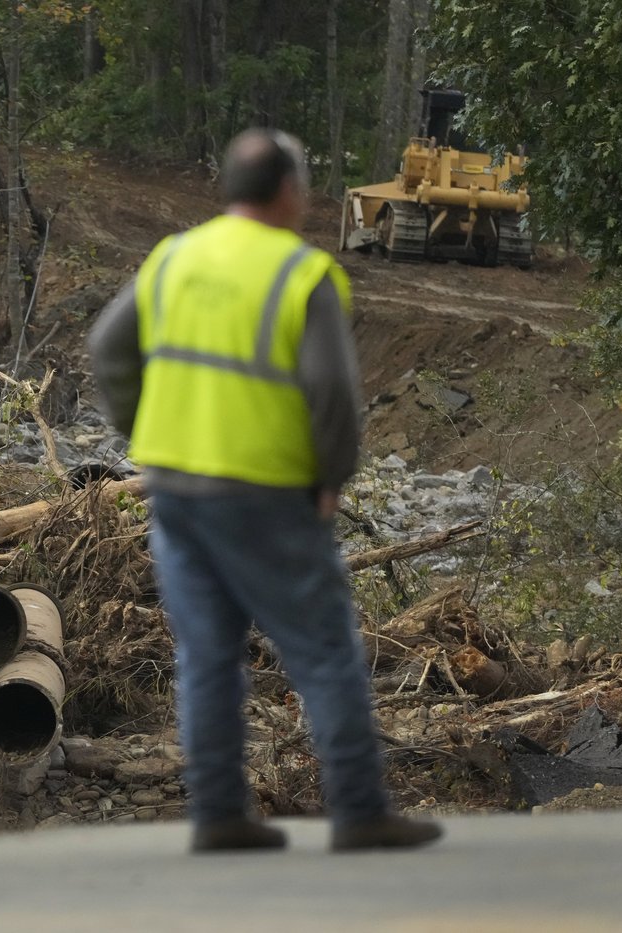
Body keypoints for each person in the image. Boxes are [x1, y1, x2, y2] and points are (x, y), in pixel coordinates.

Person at [87, 128, 442, 853]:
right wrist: (331, 476)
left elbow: (107, 348)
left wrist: (143, 428)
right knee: (323, 649)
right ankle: (360, 810)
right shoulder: (301, 274)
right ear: (288, 190)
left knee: (206, 654)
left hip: (174, 487)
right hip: (266, 491)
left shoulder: (173, 258)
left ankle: (218, 814)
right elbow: (333, 391)